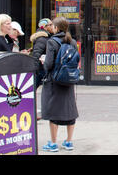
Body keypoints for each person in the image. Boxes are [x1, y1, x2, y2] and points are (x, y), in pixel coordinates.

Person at [41, 17, 79, 152]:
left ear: (56, 28)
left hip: (54, 81)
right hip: (69, 80)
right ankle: (69, 142)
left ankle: (53, 143)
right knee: (70, 110)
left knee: (53, 112)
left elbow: (48, 65)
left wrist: (42, 61)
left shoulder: (52, 42)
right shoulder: (73, 42)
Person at [30, 18, 54, 89]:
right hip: (40, 69)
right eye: (50, 25)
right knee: (32, 89)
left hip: (41, 69)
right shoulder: (42, 38)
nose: (52, 26)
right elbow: (36, 54)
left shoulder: (45, 37)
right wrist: (36, 70)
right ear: (45, 27)